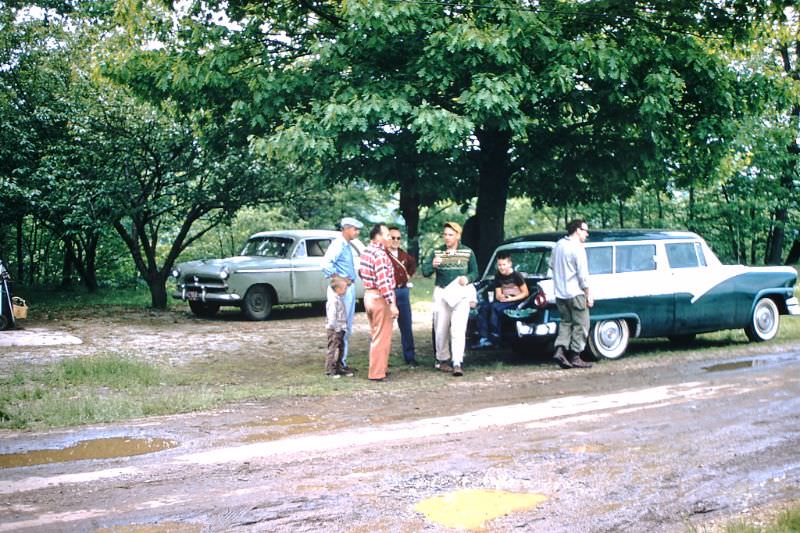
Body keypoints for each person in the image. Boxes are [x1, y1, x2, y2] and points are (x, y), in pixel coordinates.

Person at [421, 221, 478, 377]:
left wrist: (467, 278)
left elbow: (475, 272)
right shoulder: (437, 252)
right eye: (445, 234)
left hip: (460, 292)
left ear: (458, 236)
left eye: (450, 235)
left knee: (458, 329)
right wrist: (433, 265)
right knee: (440, 328)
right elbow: (425, 272)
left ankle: (457, 362)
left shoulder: (467, 252)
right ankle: (442, 359)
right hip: (442, 291)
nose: (447, 238)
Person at [550, 218, 594, 369]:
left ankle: (560, 350)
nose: (587, 234)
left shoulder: (558, 245)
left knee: (565, 323)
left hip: (560, 294)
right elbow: (583, 275)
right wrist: (588, 294)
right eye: (585, 230)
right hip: (575, 293)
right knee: (582, 324)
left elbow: (551, 265)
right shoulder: (578, 248)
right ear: (577, 230)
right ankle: (575, 356)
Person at [358, 223, 399, 381]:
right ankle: (377, 373)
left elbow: (362, 273)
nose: (390, 238)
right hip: (380, 298)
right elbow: (384, 283)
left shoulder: (366, 251)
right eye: (388, 235)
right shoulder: (381, 255)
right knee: (382, 337)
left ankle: (379, 368)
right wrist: (392, 304)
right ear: (379, 237)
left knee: (376, 334)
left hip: (368, 296)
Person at [322, 217, 363, 372]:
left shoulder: (347, 245)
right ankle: (333, 364)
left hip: (348, 287)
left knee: (345, 327)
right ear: (346, 228)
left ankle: (341, 362)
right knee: (338, 326)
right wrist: (339, 279)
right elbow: (326, 264)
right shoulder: (338, 244)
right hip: (341, 290)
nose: (357, 232)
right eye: (354, 229)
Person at [473, 252, 530, 348]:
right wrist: (500, 297)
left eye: (504, 265)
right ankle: (483, 337)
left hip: (516, 300)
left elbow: (525, 293)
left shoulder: (516, 275)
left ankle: (495, 336)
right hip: (504, 299)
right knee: (484, 307)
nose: (501, 267)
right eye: (499, 265)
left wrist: (512, 298)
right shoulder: (498, 276)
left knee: (496, 308)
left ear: (510, 264)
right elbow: (498, 292)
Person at [386, 226, 418, 366]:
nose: (395, 240)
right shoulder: (383, 255)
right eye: (392, 237)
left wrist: (408, 276)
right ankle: (383, 359)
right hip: (389, 293)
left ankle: (410, 357)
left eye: (398, 238)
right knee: (385, 327)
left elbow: (412, 265)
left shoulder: (404, 255)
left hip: (403, 292)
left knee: (406, 325)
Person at [324, 275, 353, 378]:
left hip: (341, 328)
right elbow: (332, 317)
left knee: (341, 347)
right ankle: (329, 370)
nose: (346, 291)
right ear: (337, 289)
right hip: (335, 329)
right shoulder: (333, 301)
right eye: (344, 288)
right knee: (333, 348)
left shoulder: (339, 298)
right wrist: (336, 328)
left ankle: (339, 367)